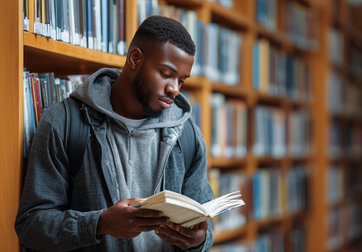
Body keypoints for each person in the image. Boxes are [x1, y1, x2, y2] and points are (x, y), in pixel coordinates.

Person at [15, 15, 215, 251]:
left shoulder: (188, 135)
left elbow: (205, 227)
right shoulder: (64, 122)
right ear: (136, 59)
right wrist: (100, 223)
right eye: (165, 73)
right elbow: (31, 225)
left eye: (181, 81)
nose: (174, 89)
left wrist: (198, 241)